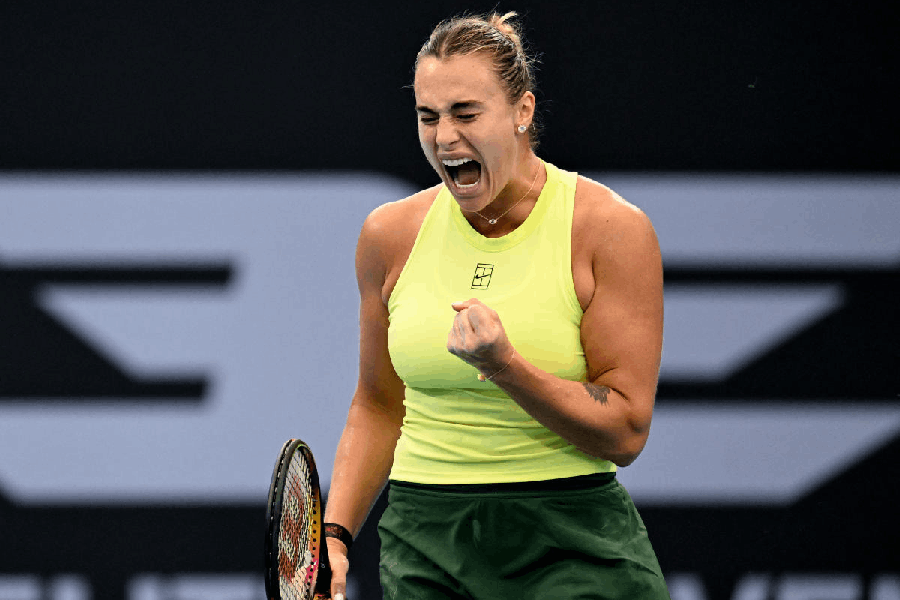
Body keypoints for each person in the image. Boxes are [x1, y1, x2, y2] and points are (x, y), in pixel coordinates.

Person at [321, 11, 667, 600]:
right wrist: (334, 534)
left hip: (570, 539)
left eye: (466, 113)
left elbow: (625, 431)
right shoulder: (388, 235)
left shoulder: (609, 229)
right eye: (428, 117)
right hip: (425, 540)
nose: (444, 137)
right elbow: (379, 405)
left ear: (522, 113)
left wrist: (506, 366)